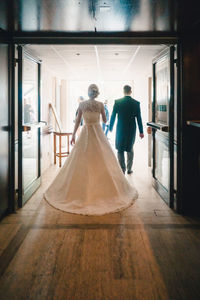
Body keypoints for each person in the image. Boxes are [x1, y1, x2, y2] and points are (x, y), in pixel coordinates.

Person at [44, 84, 138, 216]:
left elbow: (77, 122)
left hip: (85, 133)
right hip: (98, 133)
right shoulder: (100, 105)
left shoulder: (82, 105)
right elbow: (105, 121)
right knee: (102, 158)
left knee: (82, 159)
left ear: (88, 93)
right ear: (97, 93)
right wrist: (104, 121)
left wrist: (72, 136)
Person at [109, 85, 144, 174]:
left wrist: (110, 127)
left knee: (120, 149)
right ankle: (129, 169)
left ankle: (122, 169)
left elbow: (113, 116)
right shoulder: (136, 103)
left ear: (123, 91)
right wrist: (141, 131)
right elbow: (139, 118)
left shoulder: (117, 102)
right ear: (130, 91)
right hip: (131, 129)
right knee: (130, 148)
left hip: (120, 128)